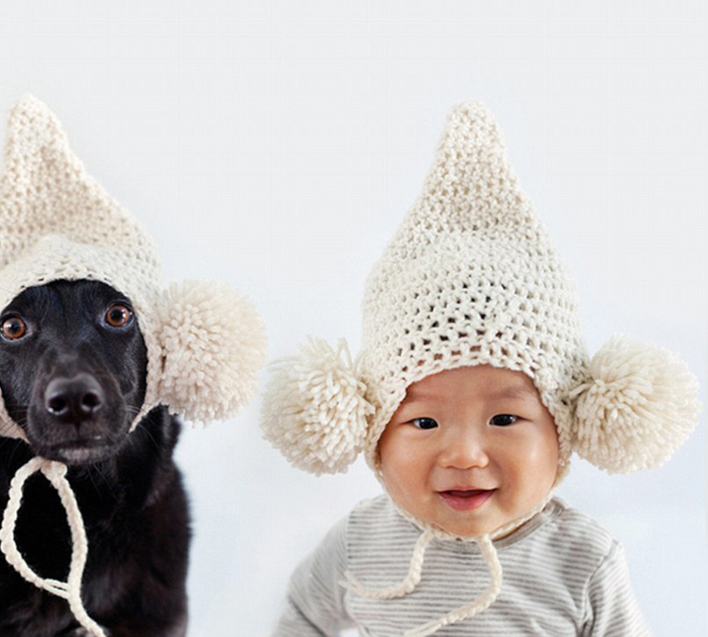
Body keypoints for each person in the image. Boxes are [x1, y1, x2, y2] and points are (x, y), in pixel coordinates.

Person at [259, 100, 701, 636]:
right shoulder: (360, 543)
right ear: (370, 431)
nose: (466, 456)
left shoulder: (585, 562)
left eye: (504, 419)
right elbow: (302, 619)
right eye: (423, 422)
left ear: (567, 428)